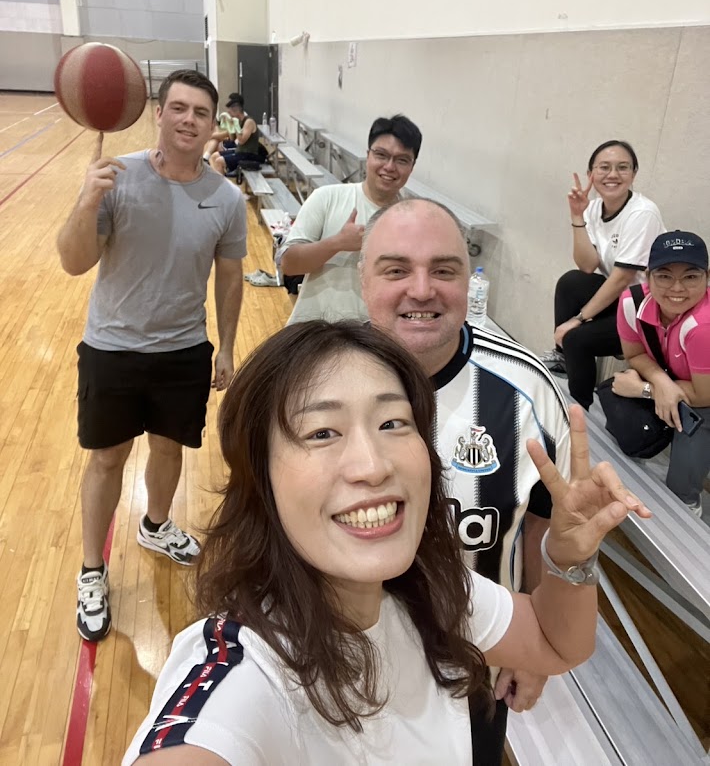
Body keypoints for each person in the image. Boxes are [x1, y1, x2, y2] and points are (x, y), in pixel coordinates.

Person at [123, 321, 650, 766]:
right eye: (322, 433)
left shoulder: (429, 589)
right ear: (260, 479)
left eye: (393, 422)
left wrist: (569, 558)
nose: (373, 465)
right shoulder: (244, 672)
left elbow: (557, 644)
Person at [359, 198, 571, 764]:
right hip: (347, 675)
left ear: (468, 281)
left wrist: (534, 649)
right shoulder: (317, 386)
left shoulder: (528, 394)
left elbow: (544, 530)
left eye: (444, 270)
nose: (422, 289)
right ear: (363, 280)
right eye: (397, 269)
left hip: (477, 671)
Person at [57, 69, 248, 643]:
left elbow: (231, 275)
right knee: (108, 461)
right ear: (159, 114)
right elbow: (73, 261)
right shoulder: (117, 177)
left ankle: (156, 524)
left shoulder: (225, 198)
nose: (190, 120)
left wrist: (228, 349)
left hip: (184, 350)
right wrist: (88, 200)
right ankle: (93, 569)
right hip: (112, 348)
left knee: (170, 450)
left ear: (215, 126)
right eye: (180, 108)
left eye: (202, 113)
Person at [543, 140, 665, 409]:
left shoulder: (642, 213)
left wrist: (577, 319)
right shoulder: (594, 208)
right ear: (591, 175)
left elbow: (622, 277)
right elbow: (587, 265)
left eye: (623, 167)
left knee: (576, 339)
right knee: (571, 282)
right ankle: (565, 359)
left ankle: (580, 409)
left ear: (633, 174)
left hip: (646, 311)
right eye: (604, 167)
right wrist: (578, 216)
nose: (613, 175)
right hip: (621, 300)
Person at [278, 114, 422, 324]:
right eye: (381, 155)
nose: (390, 167)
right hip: (314, 334)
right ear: (368, 156)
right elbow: (289, 265)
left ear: (412, 167)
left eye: (402, 160)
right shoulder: (327, 197)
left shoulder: (413, 222)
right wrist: (337, 243)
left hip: (373, 342)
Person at [613, 230, 710, 517]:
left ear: (706, 278)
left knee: (679, 492)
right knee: (626, 433)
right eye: (665, 275)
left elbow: (704, 396)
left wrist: (644, 389)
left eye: (691, 276)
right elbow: (634, 355)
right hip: (678, 381)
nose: (677, 288)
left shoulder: (703, 326)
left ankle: (687, 504)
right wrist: (659, 380)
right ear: (647, 276)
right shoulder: (631, 302)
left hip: (705, 400)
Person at [205, 93, 264, 179]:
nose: (228, 113)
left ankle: (222, 187)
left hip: (248, 154)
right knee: (214, 156)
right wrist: (231, 126)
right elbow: (232, 139)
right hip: (239, 151)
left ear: (236, 110)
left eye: (230, 111)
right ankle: (221, 182)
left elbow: (241, 140)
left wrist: (235, 125)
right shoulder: (238, 121)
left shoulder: (249, 122)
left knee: (219, 161)